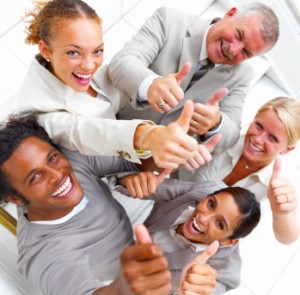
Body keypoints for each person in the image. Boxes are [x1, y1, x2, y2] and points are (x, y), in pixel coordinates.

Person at [0, 115, 221, 295]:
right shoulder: (41, 254)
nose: (57, 175)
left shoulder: (72, 158)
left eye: (52, 158)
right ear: (16, 199)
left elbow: (132, 161)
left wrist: (169, 153)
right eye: (35, 177)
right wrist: (124, 288)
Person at [0, 0, 199, 170]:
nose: (89, 65)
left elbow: (118, 72)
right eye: (73, 52)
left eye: (97, 51)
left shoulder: (85, 72)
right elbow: (83, 132)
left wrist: (153, 84)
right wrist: (147, 135)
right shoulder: (36, 111)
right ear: (45, 50)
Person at [108, 2, 279, 149]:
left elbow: (232, 133)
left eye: (246, 52)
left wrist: (215, 122)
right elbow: (122, 62)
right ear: (230, 13)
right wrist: (151, 85)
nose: (233, 50)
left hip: (144, 160)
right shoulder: (170, 20)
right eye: (239, 35)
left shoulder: (242, 75)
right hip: (109, 123)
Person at [117, 173, 261, 294]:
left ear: (229, 242)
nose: (203, 218)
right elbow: (147, 186)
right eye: (211, 204)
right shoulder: (201, 191)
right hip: (127, 247)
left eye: (219, 224)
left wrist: (193, 288)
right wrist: (128, 181)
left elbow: (208, 289)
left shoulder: (225, 271)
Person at [186, 97, 300, 244]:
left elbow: (287, 238)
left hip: (198, 238)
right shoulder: (227, 135)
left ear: (287, 150)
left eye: (272, 138)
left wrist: (282, 214)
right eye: (259, 126)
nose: (258, 139)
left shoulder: (274, 183)